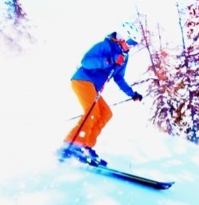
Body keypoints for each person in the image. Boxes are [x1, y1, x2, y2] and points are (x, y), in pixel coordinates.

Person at [58, 31, 143, 167]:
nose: (131, 46)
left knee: (105, 113)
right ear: (121, 38)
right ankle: (71, 144)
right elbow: (85, 61)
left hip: (93, 87)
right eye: (131, 42)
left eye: (134, 44)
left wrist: (131, 93)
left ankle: (85, 146)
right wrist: (109, 61)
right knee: (92, 113)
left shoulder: (124, 57)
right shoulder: (105, 46)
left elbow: (119, 78)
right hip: (82, 80)